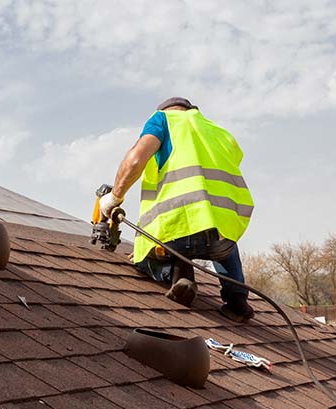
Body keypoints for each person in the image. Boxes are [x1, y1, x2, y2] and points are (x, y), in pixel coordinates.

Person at [99, 97, 255, 322]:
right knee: (222, 239)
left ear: (168, 111)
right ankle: (237, 300)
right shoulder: (218, 131)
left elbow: (135, 160)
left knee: (144, 258)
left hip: (177, 230)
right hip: (223, 233)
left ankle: (179, 274)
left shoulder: (163, 120)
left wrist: (114, 197)